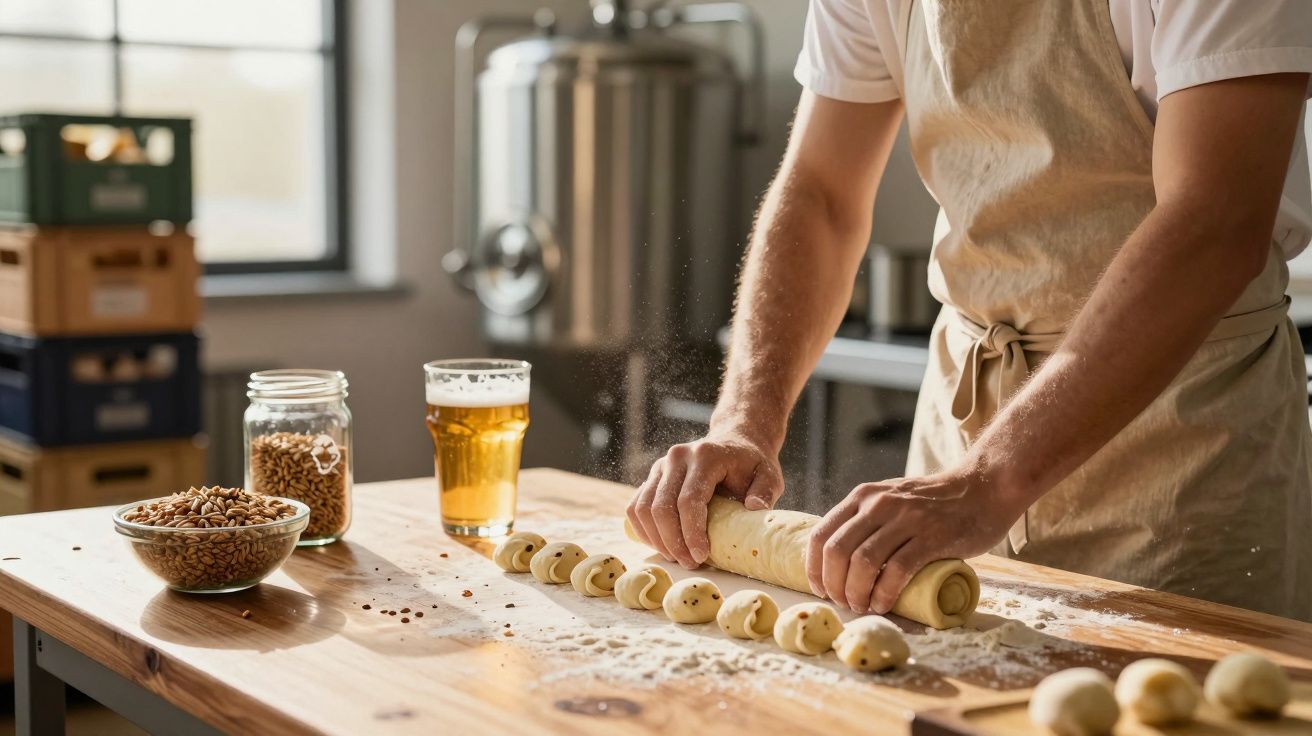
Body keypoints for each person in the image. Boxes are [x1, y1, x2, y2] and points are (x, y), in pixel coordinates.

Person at [627, 0, 1312, 622]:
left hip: (1184, 444)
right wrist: (744, 421)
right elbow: (821, 196)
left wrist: (988, 481)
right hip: (961, 435)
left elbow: (1214, 222)